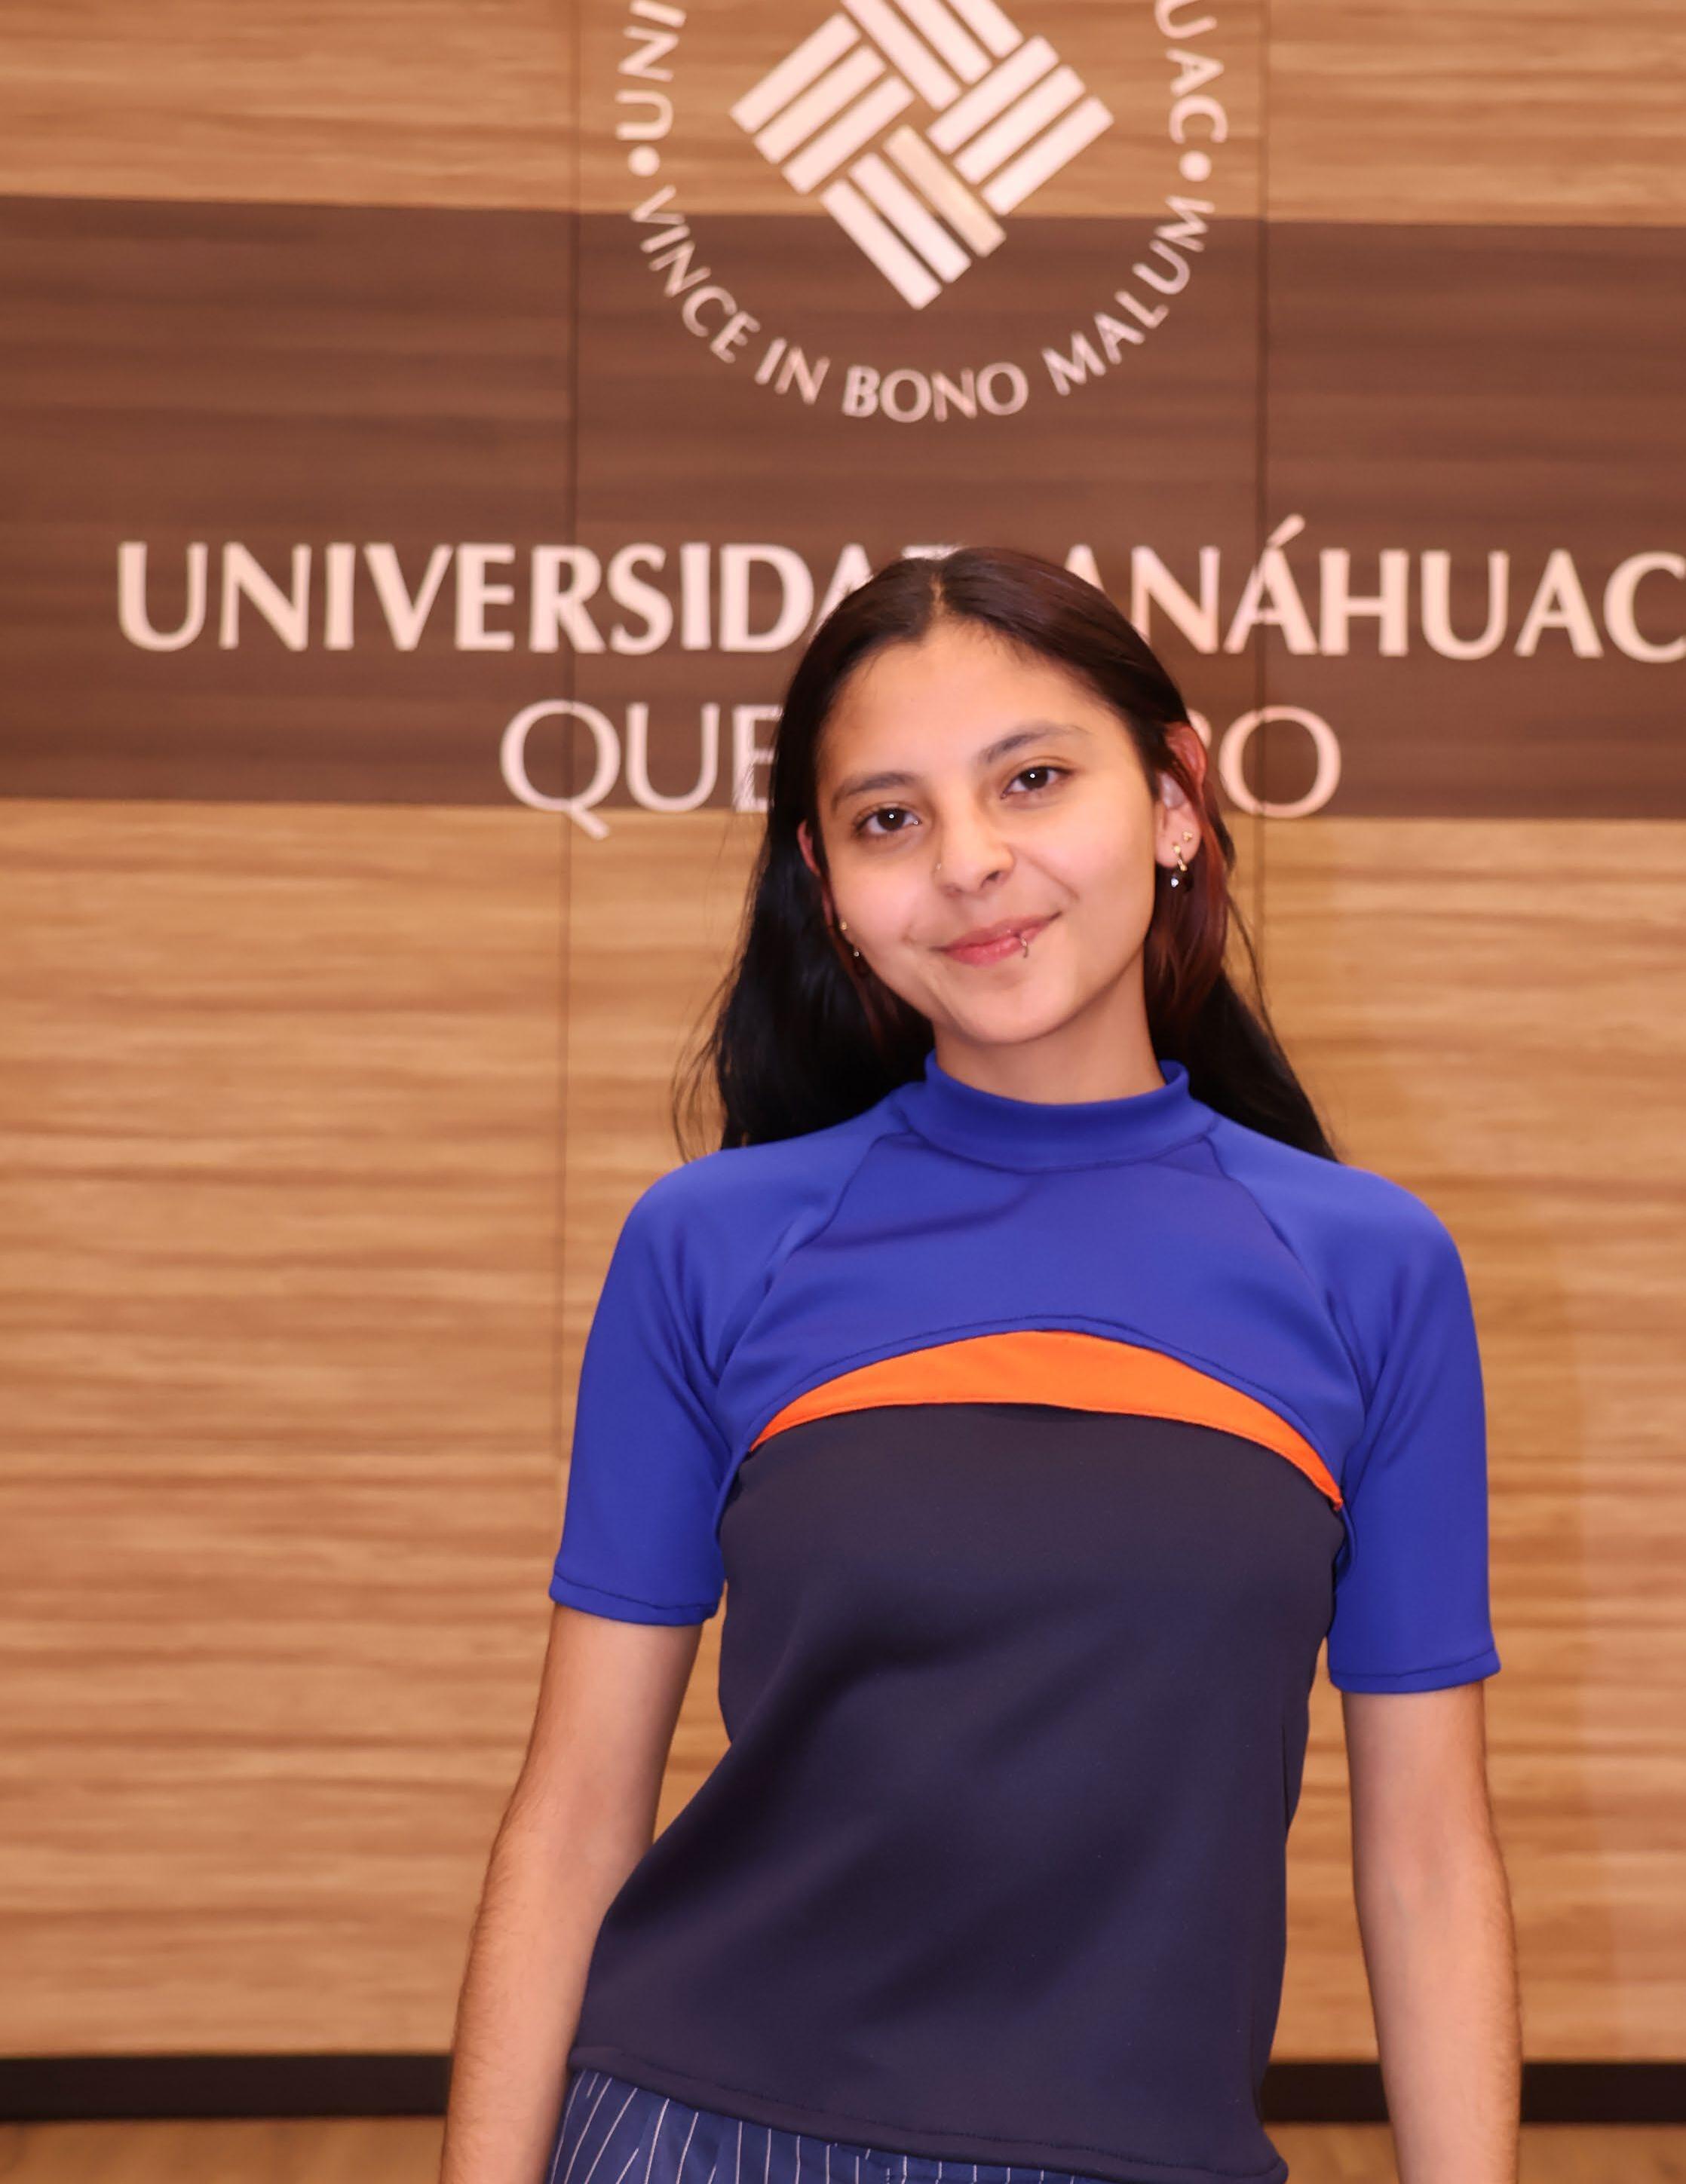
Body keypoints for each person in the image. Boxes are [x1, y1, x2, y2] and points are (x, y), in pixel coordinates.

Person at [439, 547, 1519, 2184]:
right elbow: (576, 1811)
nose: (969, 863)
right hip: (702, 2137)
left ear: (1174, 799)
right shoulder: (713, 1243)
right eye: (890, 818)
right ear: (825, 881)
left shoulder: (1367, 1266)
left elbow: (1429, 1860)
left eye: (1031, 780)